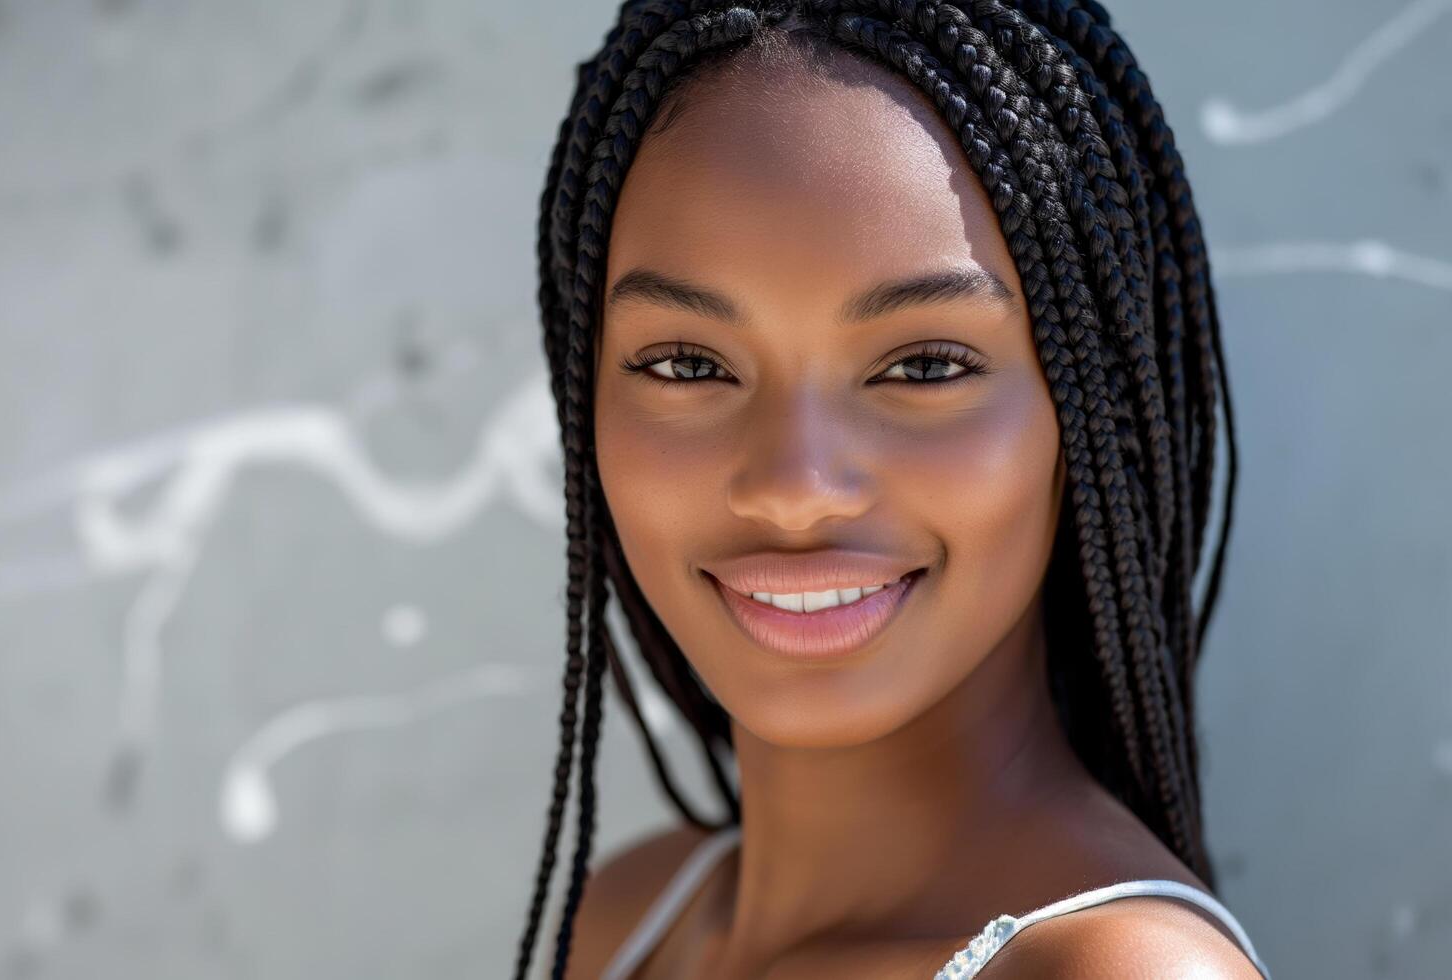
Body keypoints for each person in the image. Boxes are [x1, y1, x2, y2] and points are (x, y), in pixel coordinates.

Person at [516, 2, 1272, 977]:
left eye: (922, 366)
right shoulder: (630, 920)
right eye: (686, 363)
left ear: (1092, 411)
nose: (794, 488)